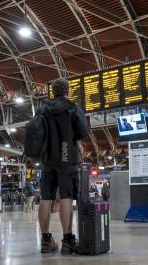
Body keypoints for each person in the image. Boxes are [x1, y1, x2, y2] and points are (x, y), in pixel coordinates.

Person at [38, 79, 89, 254]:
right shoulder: (73, 108)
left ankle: (45, 241)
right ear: (67, 91)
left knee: (45, 197)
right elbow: (83, 132)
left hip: (46, 159)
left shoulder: (42, 109)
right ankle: (68, 241)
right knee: (66, 197)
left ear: (53, 92)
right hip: (67, 157)